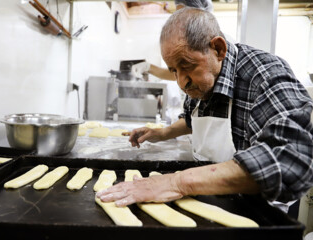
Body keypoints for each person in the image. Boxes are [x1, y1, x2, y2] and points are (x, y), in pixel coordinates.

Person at [97, 8, 313, 207]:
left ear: (218, 49)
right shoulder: (200, 81)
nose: (181, 82)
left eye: (187, 66)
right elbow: (192, 119)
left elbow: (292, 161)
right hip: (207, 195)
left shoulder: (264, 74)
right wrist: (162, 133)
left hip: (256, 209)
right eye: (174, 71)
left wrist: (177, 182)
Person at [131, 0, 213, 80]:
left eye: (182, 18)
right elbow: (177, 74)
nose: (178, 24)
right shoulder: (191, 42)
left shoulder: (210, 47)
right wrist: (147, 67)